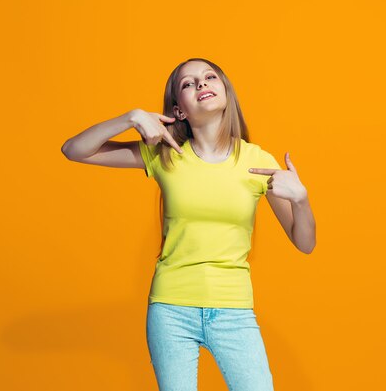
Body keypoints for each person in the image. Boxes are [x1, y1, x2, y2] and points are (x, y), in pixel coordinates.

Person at [61, 58, 316, 391]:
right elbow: (74, 150)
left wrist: (301, 199)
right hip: (171, 310)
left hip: (234, 311)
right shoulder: (165, 154)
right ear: (178, 109)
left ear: (225, 92)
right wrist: (131, 118)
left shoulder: (258, 161)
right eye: (188, 83)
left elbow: (305, 243)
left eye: (210, 77)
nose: (201, 84)